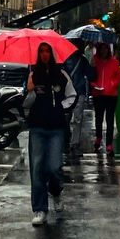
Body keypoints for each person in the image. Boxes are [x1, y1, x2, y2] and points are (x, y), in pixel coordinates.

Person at [25, 41, 76, 226]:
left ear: (51, 54)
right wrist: (30, 90)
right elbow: (26, 103)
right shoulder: (33, 74)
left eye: (47, 51)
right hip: (37, 127)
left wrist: (60, 109)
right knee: (37, 167)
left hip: (56, 128)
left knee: (54, 167)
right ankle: (40, 208)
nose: (45, 54)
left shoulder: (61, 74)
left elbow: (72, 95)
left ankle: (55, 191)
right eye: (42, 51)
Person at [64, 40, 96, 161]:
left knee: (66, 119)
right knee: (77, 120)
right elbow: (92, 76)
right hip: (79, 92)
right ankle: (74, 145)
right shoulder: (83, 60)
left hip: (67, 93)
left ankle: (66, 143)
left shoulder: (64, 60)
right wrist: (92, 66)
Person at [90, 42, 120, 158]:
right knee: (98, 118)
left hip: (111, 95)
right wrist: (94, 85)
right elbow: (91, 76)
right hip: (98, 94)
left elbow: (119, 77)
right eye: (101, 49)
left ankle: (109, 144)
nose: (103, 51)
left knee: (109, 119)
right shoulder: (95, 61)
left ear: (108, 50)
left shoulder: (114, 62)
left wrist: (112, 85)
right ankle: (98, 138)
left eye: (105, 49)